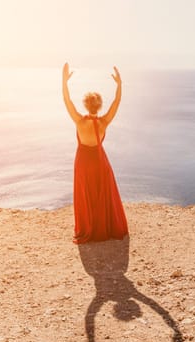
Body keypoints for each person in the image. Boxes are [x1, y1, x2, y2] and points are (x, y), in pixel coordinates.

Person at [62, 62, 129, 243]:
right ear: (99, 106)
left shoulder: (79, 121)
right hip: (99, 160)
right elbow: (117, 102)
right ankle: (104, 228)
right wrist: (119, 84)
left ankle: (88, 227)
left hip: (83, 160)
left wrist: (64, 81)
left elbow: (67, 101)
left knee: (86, 193)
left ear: (85, 105)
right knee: (102, 193)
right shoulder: (104, 122)